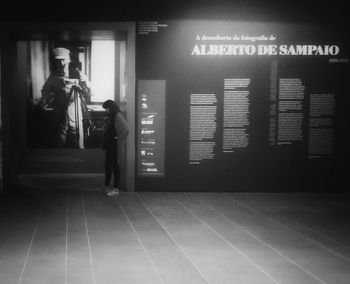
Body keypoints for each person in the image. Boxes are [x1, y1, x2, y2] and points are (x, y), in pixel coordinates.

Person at [41, 47, 91, 148]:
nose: (61, 63)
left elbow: (89, 92)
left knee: (78, 146)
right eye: (58, 61)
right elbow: (45, 93)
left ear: (68, 60)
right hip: (59, 117)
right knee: (59, 145)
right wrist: (48, 99)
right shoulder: (53, 77)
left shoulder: (78, 75)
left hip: (74, 115)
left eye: (63, 60)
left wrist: (83, 81)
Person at [102, 100, 129, 196]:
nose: (106, 110)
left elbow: (126, 129)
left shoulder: (117, 115)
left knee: (115, 166)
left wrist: (118, 138)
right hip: (111, 145)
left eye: (107, 108)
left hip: (115, 146)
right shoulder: (114, 115)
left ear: (111, 107)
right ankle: (107, 187)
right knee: (109, 166)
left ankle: (115, 189)